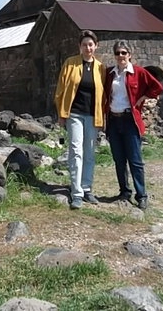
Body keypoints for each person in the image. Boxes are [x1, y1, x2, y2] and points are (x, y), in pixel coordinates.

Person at [104, 40, 163, 210]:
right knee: (119, 159)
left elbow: (157, 87)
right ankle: (124, 191)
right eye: (117, 53)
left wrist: (143, 98)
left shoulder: (138, 72)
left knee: (135, 160)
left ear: (129, 54)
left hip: (130, 120)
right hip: (114, 120)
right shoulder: (110, 74)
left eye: (124, 52)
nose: (121, 56)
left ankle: (142, 195)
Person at [54, 29, 107, 209]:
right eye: (84, 44)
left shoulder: (101, 68)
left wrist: (103, 117)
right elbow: (60, 90)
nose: (87, 48)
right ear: (79, 46)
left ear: (96, 46)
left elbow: (104, 94)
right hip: (74, 114)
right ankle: (76, 193)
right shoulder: (70, 64)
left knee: (90, 153)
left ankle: (87, 189)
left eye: (90, 44)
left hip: (92, 116)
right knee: (76, 151)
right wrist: (61, 114)